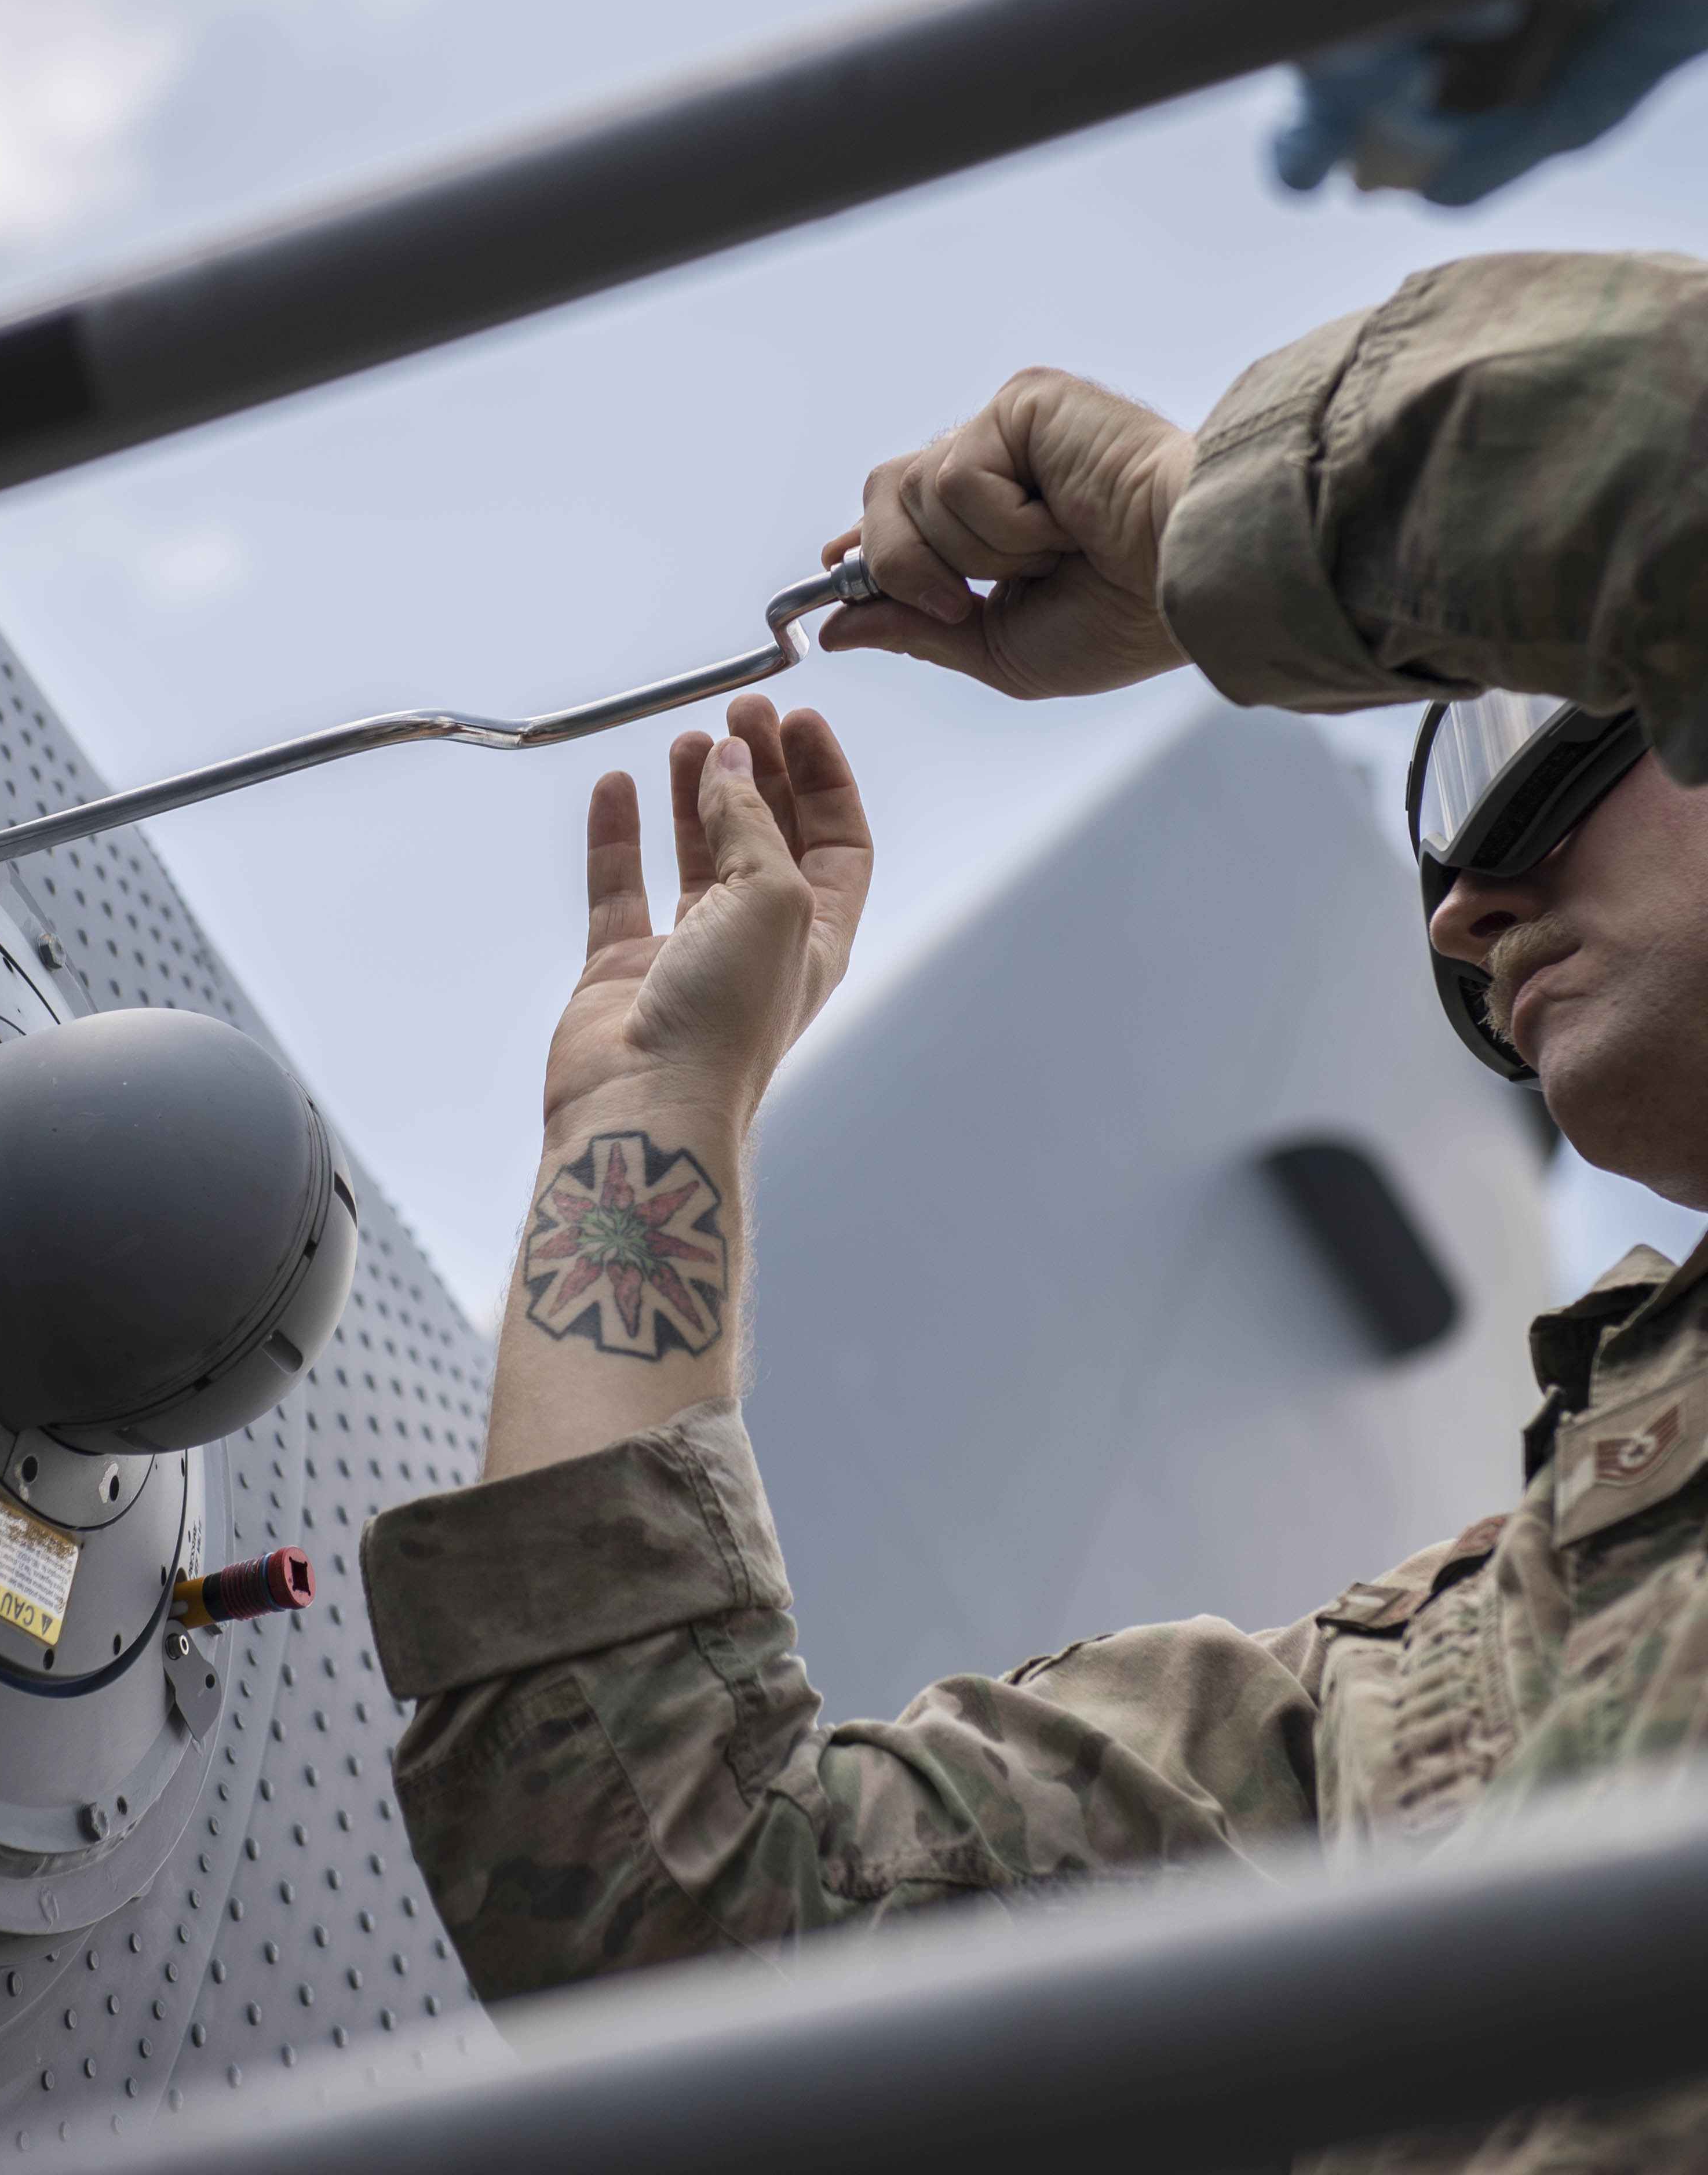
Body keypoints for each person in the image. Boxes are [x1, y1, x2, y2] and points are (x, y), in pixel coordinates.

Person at [359, 249, 1708, 2170]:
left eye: (1524, 756)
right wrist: (655, 1109)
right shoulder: (1434, 1706)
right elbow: (702, 1921)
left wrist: (1194, 528)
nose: (1460, 915)